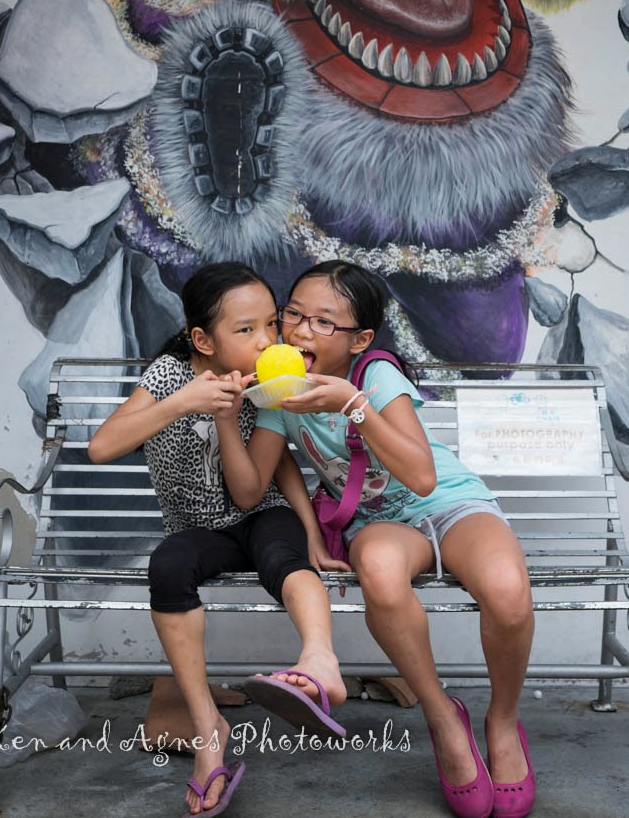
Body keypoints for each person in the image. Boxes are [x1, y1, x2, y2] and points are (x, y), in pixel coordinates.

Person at [216, 260, 536, 818]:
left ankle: (502, 722)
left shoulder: (376, 376)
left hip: (451, 503)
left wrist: (350, 404)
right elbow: (249, 492)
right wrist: (228, 411)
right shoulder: (280, 396)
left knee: (508, 594)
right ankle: (442, 717)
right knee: (382, 576)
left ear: (359, 339)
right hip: (379, 524)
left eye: (323, 322)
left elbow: (422, 477)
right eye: (293, 315)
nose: (300, 332)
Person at [88, 261, 347, 817]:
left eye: (272, 326)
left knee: (285, 552)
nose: (267, 342)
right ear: (202, 340)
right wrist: (183, 402)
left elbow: (260, 488)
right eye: (247, 330)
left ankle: (318, 663)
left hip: (260, 514)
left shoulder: (270, 387)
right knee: (168, 567)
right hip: (199, 530)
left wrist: (231, 419)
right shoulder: (167, 375)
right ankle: (208, 730)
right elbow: (101, 447)